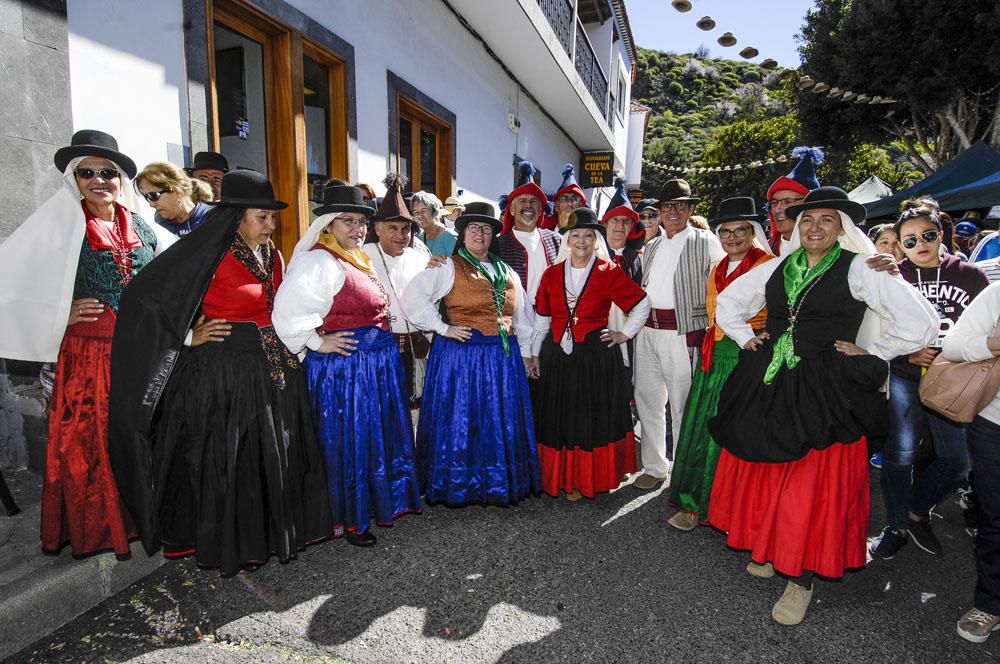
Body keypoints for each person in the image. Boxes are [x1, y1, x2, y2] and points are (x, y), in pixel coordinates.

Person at [707, 186, 938, 626]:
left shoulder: (860, 269)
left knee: (811, 483)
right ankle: (771, 549)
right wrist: (745, 337)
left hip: (827, 386)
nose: (815, 228)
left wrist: (872, 350)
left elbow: (920, 322)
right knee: (769, 467)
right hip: (772, 379)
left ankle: (802, 576)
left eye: (826, 220)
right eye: (808, 220)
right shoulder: (777, 267)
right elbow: (731, 304)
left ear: (841, 227)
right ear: (797, 226)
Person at [108, 169, 330, 574]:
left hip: (271, 367)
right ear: (236, 216)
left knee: (268, 453)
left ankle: (264, 534)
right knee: (231, 456)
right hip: (223, 371)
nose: (270, 225)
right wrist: (190, 334)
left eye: (272, 217)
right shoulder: (207, 253)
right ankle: (231, 540)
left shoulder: (273, 254)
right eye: (261, 217)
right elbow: (146, 297)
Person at [0, 130, 173, 557]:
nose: (99, 180)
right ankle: (101, 529)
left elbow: (167, 281)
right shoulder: (61, 225)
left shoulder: (143, 228)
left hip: (138, 354)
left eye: (108, 172)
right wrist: (59, 311)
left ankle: (144, 519)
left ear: (121, 179)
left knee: (140, 435)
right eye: (87, 172)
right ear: (73, 180)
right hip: (87, 356)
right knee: (90, 442)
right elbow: (13, 281)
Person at [273, 177, 422, 547]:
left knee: (374, 440)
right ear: (328, 224)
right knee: (352, 442)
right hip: (348, 372)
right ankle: (351, 519)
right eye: (348, 221)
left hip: (374, 367)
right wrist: (315, 342)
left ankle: (372, 505)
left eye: (360, 222)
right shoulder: (319, 262)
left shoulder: (354, 257)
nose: (357, 229)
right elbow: (288, 313)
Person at [402, 201, 541, 506]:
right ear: (463, 234)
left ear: (493, 235)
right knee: (461, 419)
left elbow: (523, 316)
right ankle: (459, 484)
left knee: (496, 421)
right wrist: (441, 327)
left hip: (501, 357)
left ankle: (494, 483)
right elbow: (413, 297)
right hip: (461, 357)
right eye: (474, 228)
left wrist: (528, 353)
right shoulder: (449, 266)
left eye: (487, 229)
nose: (480, 233)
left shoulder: (507, 272)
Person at [869, 206, 989, 559]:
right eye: (909, 240)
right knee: (900, 453)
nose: (919, 244)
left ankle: (916, 511)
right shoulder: (893, 277)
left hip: (954, 379)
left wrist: (960, 353)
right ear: (900, 245)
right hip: (905, 377)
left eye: (928, 236)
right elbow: (877, 329)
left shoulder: (970, 275)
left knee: (958, 459)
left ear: (941, 236)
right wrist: (906, 355)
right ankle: (895, 526)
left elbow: (988, 325)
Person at [667, 197, 773, 531]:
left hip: (747, 358)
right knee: (703, 426)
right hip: (715, 354)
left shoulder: (768, 265)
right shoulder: (718, 267)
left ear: (753, 231)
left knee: (736, 429)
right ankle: (694, 502)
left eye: (741, 230)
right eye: (725, 231)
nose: (732, 237)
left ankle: (730, 509)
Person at [531, 207, 650, 499]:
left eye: (588, 235)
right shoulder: (551, 274)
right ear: (567, 240)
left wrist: (625, 333)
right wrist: (533, 354)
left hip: (594, 358)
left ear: (597, 240)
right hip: (557, 356)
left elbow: (642, 303)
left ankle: (586, 478)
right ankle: (561, 476)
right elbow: (542, 319)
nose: (581, 241)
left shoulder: (608, 272)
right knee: (558, 416)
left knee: (587, 417)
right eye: (575, 236)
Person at [631, 179, 725, 490]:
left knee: (683, 404)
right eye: (667, 206)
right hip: (647, 331)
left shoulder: (706, 241)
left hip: (681, 332)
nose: (673, 211)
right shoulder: (654, 243)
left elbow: (723, 283)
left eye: (680, 206)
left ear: (690, 209)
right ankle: (656, 466)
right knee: (647, 400)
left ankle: (684, 473)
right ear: (658, 212)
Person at [941, 282, 1000, 643]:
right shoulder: (997, 294)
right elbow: (953, 345)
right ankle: (991, 604)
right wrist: (993, 344)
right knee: (996, 520)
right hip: (994, 425)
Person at [363, 180, 433, 406]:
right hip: (377, 351)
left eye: (406, 229)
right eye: (393, 228)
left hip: (416, 349)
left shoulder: (419, 257)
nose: (401, 235)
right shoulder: (361, 258)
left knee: (415, 411)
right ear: (377, 228)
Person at [495, 161, 561, 305]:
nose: (528, 206)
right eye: (522, 201)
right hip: (515, 318)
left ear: (540, 210)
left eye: (534, 201)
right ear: (512, 209)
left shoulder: (556, 240)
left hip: (549, 316)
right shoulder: (498, 244)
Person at [766, 147, 823, 256]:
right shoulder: (767, 252)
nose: (778, 209)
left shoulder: (838, 246)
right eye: (774, 202)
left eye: (788, 201)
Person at [135, 161, 214, 237]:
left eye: (153, 195)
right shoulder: (160, 226)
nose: (151, 204)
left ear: (177, 190)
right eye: (147, 197)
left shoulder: (212, 218)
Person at [411, 191, 457, 256]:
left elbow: (459, 265)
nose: (420, 216)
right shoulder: (418, 238)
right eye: (416, 212)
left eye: (424, 210)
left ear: (435, 212)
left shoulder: (450, 237)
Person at [542, 164, 587, 230]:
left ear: (580, 206)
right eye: (564, 198)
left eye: (574, 198)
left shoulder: (587, 239)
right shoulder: (543, 238)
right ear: (556, 206)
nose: (569, 203)